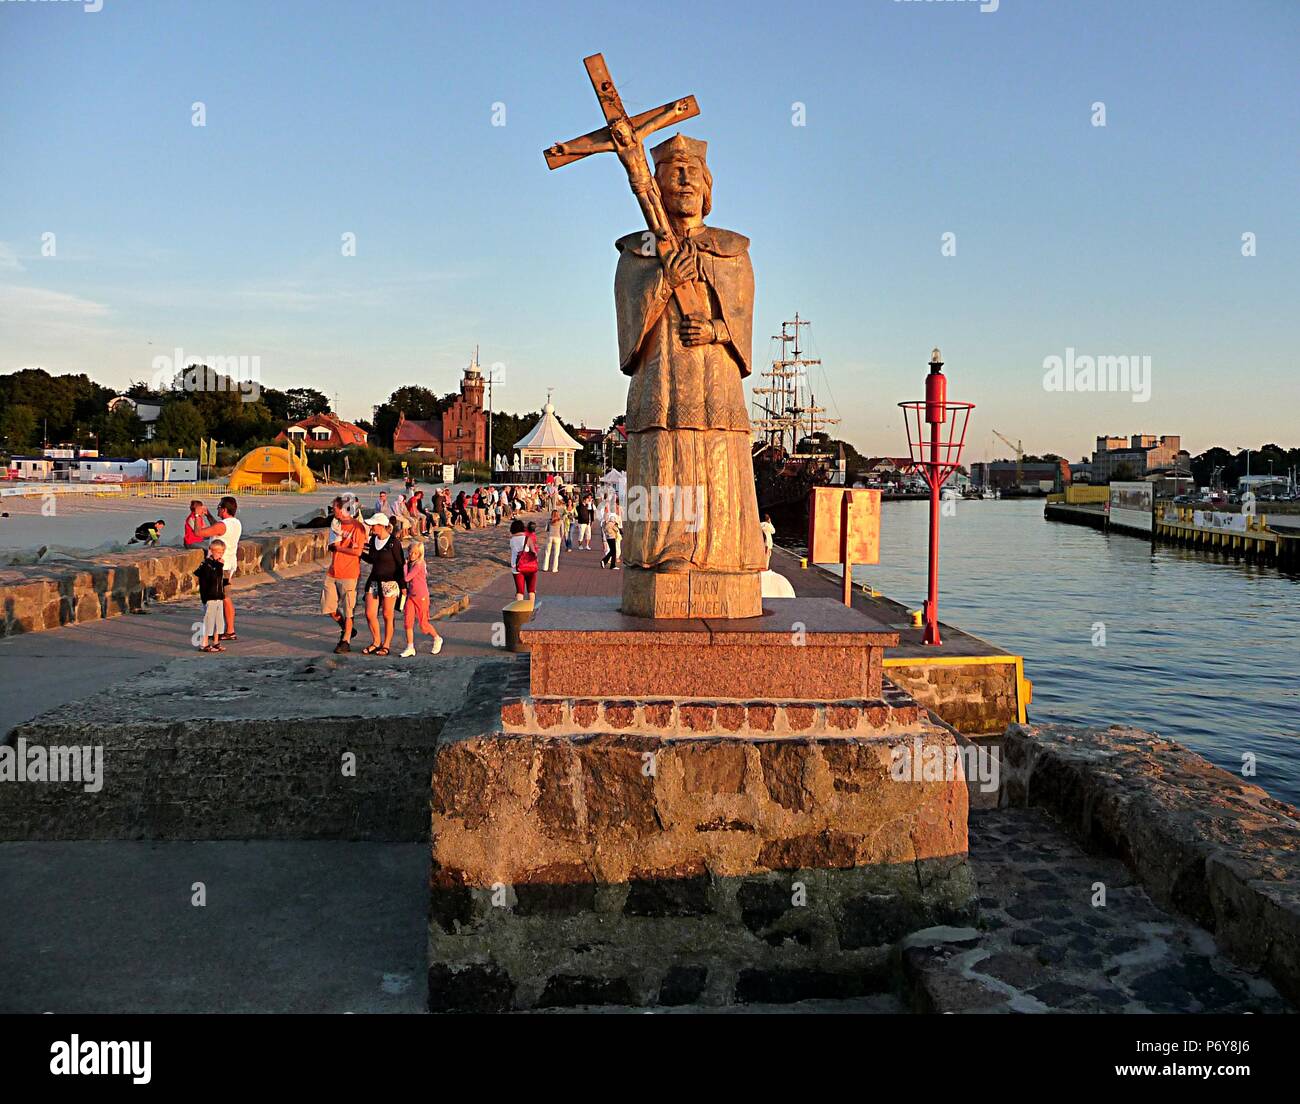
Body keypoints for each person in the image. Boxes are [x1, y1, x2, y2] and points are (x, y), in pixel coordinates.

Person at [322, 496, 366, 653]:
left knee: (349, 609)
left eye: (334, 508)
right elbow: (332, 545)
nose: (332, 510)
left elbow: (357, 551)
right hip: (333, 571)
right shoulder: (336, 525)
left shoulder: (357, 527)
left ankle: (345, 640)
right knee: (329, 607)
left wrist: (339, 548)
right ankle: (347, 628)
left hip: (350, 573)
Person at [195, 497, 241, 642]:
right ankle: (229, 630)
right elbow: (218, 527)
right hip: (229, 564)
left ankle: (227, 630)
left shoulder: (223, 525)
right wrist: (208, 515)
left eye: (219, 507)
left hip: (220, 567)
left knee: (222, 598)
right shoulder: (235, 523)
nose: (217, 510)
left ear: (224, 509)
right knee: (225, 597)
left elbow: (199, 533)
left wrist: (197, 515)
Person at [360, 513, 405, 656]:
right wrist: (359, 553)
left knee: (387, 614)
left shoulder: (394, 543)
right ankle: (376, 641)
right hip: (374, 581)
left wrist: (403, 586)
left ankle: (386, 644)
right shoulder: (373, 540)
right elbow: (373, 559)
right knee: (369, 613)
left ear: (380, 526)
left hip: (390, 582)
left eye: (373, 525)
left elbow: (400, 564)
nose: (371, 527)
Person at [400, 540, 444, 657]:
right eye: (410, 552)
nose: (411, 555)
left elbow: (407, 578)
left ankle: (437, 638)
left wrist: (404, 565)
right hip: (411, 595)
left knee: (423, 624)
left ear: (419, 554)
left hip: (421, 596)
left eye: (415, 553)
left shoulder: (419, 564)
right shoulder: (411, 563)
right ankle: (410, 647)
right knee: (408, 622)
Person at [194, 539, 227, 652]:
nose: (220, 554)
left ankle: (216, 642)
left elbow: (219, 579)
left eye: (222, 552)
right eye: (218, 552)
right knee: (209, 621)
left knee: (219, 621)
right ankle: (204, 643)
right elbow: (210, 578)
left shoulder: (217, 564)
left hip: (218, 596)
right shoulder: (207, 565)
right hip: (210, 596)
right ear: (211, 551)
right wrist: (218, 566)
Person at [509, 519, 538, 600]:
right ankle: (530, 608)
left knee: (520, 591)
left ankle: (520, 610)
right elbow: (533, 552)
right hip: (529, 566)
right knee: (531, 590)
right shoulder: (527, 538)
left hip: (516, 566)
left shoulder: (512, 540)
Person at [543, 508, 564, 573]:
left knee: (547, 553)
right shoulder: (560, 521)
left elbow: (545, 529)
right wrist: (562, 537)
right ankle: (554, 569)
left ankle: (545, 567)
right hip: (557, 537)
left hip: (550, 537)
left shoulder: (549, 521)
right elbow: (562, 531)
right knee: (556, 554)